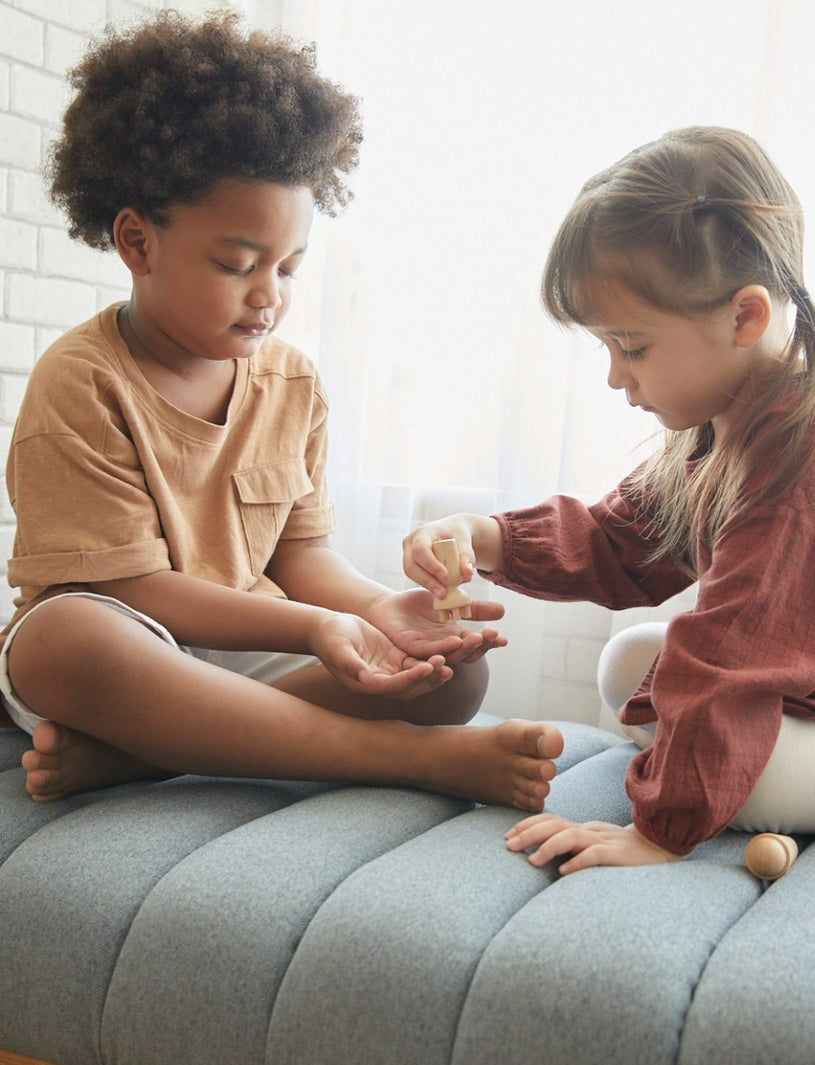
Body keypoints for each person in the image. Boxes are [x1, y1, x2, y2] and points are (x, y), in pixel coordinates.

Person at [1, 11, 562, 811]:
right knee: (66, 640)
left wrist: (376, 608)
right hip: (132, 645)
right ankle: (403, 758)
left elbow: (301, 560)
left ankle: (141, 758)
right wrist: (307, 629)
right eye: (237, 264)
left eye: (290, 268)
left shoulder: (293, 384)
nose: (269, 296)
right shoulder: (84, 382)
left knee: (453, 669)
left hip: (247, 651)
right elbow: (134, 591)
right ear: (137, 242)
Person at [403, 126, 815, 870]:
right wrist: (487, 534)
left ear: (745, 316)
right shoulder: (721, 417)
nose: (615, 377)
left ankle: (756, 781)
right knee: (630, 659)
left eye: (631, 348)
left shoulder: (807, 450)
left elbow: (734, 655)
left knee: (724, 734)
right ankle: (731, 763)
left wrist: (657, 831)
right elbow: (619, 538)